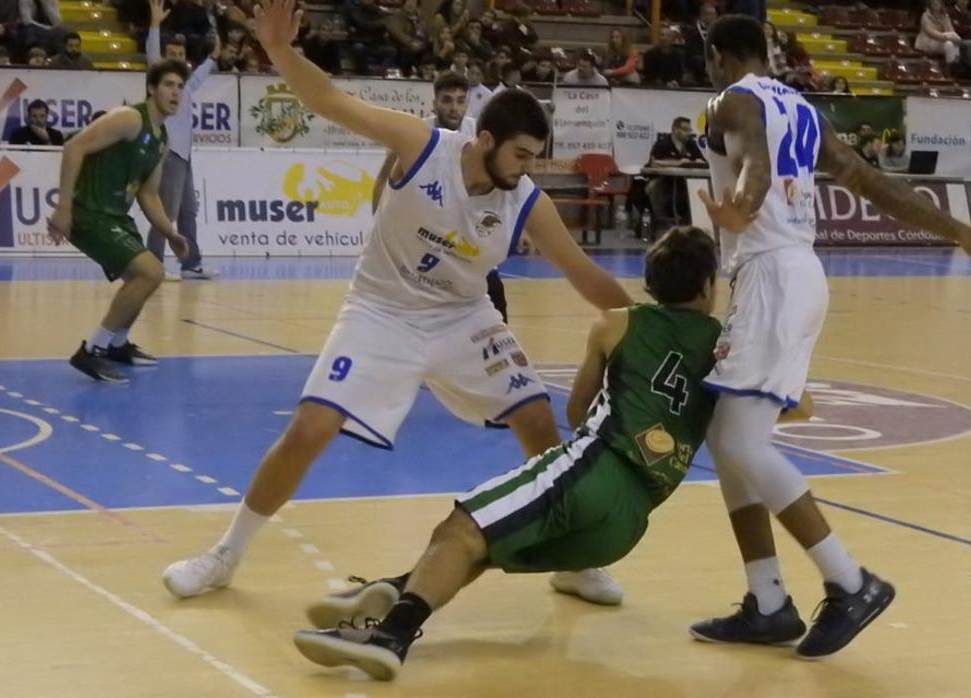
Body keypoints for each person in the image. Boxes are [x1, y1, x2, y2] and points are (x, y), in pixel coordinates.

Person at [161, 0, 636, 607]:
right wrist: (279, 51)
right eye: (520, 154)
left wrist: (646, 324)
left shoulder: (524, 199)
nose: (528, 168)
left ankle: (572, 559)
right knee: (311, 427)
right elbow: (332, 102)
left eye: (534, 157)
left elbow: (584, 273)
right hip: (381, 310)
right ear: (484, 139)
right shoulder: (422, 147)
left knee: (538, 420)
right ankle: (225, 554)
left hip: (464, 318)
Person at [289, 227, 756, 680]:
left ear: (651, 281)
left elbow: (575, 411)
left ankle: (389, 637)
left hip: (594, 472)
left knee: (460, 528)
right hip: (630, 521)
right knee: (488, 545)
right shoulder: (722, 346)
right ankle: (394, 593)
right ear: (708, 284)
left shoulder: (617, 323)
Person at [689, 15, 971, 659]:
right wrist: (958, 232)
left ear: (722, 57)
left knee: (739, 443)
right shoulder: (805, 110)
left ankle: (851, 581)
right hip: (791, 275)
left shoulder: (734, 98)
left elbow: (752, 154)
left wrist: (746, 204)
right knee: (730, 444)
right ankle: (768, 602)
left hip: (773, 276)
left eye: (709, 61)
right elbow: (873, 185)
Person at [45, 60, 191, 383]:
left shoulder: (162, 139)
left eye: (180, 86)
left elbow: (149, 195)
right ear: (152, 88)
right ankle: (92, 350)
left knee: (149, 276)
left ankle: (116, 344)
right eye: (168, 84)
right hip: (89, 212)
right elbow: (73, 148)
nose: (176, 92)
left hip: (115, 216)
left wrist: (171, 233)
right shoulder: (129, 118)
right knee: (149, 271)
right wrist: (63, 208)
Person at [371, 72, 510, 322]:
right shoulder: (415, 133)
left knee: (495, 301)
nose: (454, 108)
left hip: (467, 237)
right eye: (447, 100)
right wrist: (379, 223)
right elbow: (383, 180)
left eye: (460, 100)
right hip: (423, 236)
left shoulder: (479, 134)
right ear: (434, 103)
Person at [145, 0, 219, 281]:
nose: (175, 57)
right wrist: (154, 25)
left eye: (180, 53)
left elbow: (199, 76)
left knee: (188, 211)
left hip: (185, 155)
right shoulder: (160, 78)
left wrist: (212, 58)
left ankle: (191, 263)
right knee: (166, 212)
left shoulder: (184, 85)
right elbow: (152, 54)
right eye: (171, 53)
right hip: (169, 153)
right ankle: (153, 264)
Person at [646, 116, 705, 230]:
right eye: (685, 130)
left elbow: (700, 159)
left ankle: (694, 223)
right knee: (654, 188)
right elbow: (655, 162)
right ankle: (661, 224)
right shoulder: (663, 143)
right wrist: (678, 162)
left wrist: (698, 161)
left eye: (689, 130)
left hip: (686, 182)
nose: (688, 133)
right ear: (675, 129)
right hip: (665, 181)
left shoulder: (691, 144)